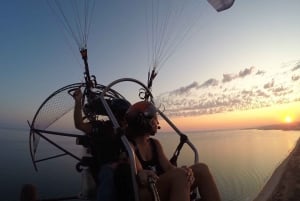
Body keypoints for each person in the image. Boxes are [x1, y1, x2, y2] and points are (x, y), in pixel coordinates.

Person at [125, 101, 222, 201]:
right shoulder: (129, 147)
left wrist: (186, 172)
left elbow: (168, 167)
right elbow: (142, 177)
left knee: (202, 169)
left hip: (161, 185)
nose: (157, 123)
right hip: (146, 192)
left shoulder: (155, 144)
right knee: (179, 176)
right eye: (154, 119)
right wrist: (179, 174)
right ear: (144, 122)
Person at [72, 88, 131, 201]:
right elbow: (79, 124)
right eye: (123, 116)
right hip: (106, 167)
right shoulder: (102, 128)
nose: (125, 120)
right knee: (108, 176)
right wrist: (78, 101)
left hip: (126, 166)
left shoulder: (129, 131)